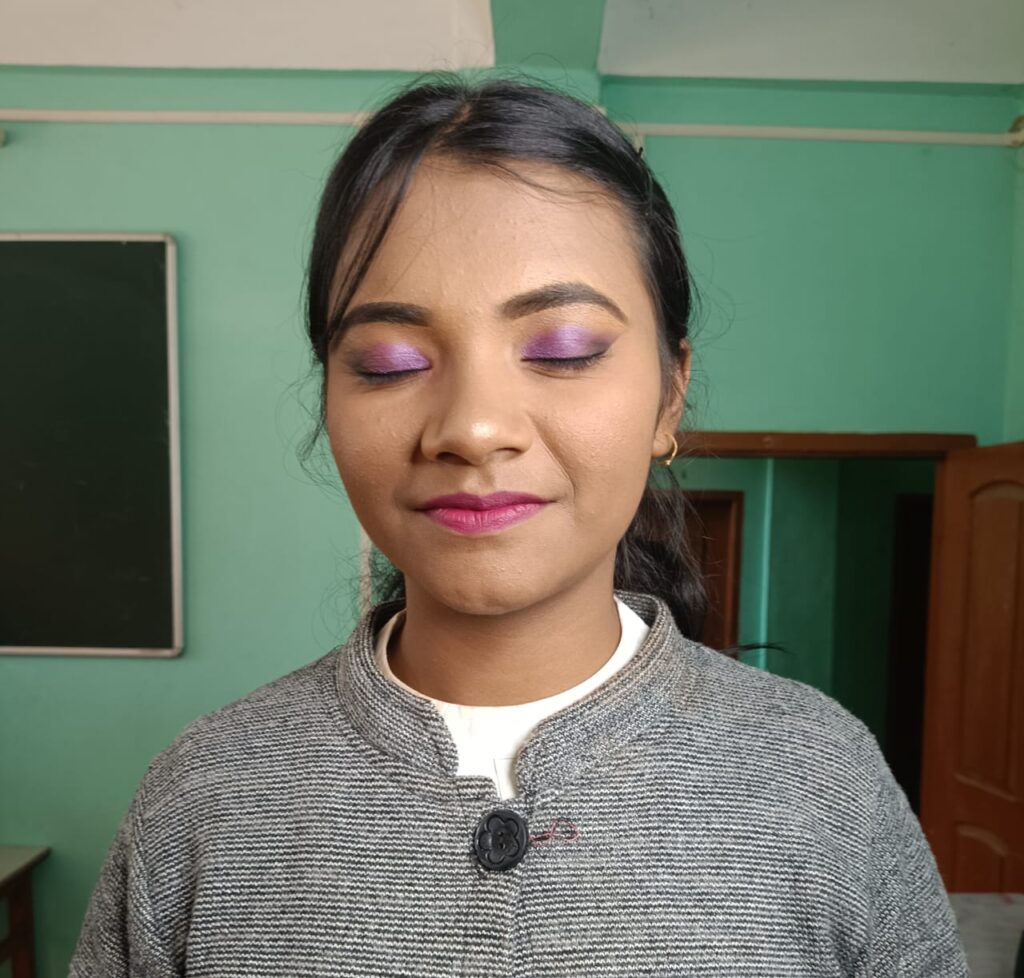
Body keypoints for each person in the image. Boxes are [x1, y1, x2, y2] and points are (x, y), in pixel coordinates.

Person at [70, 73, 969, 977]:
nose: (473, 427)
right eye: (390, 362)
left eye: (563, 350)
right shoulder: (203, 797)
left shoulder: (823, 783)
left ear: (670, 394)